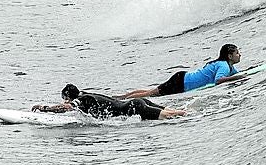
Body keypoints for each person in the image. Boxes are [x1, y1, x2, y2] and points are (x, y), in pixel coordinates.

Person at [119, 44, 246, 99]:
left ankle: (123, 96)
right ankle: (124, 99)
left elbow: (236, 74)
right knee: (151, 94)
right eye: (237, 53)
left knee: (151, 91)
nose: (239, 55)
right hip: (181, 82)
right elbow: (219, 80)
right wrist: (235, 79)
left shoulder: (228, 66)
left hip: (183, 78)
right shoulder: (223, 66)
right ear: (229, 56)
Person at [33, 84, 187, 120]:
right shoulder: (87, 95)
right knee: (178, 112)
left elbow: (64, 108)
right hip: (137, 102)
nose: (65, 101)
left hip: (135, 108)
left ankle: (196, 117)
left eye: (65, 99)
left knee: (176, 116)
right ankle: (195, 114)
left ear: (69, 97)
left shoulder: (82, 100)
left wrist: (45, 108)